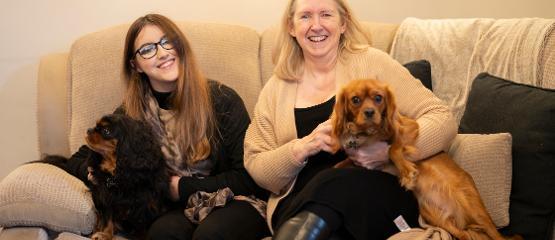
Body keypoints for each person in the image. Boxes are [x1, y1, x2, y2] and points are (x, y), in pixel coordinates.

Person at [243, 0, 457, 239]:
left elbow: (442, 118)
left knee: (332, 181)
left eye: (326, 14)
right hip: (300, 207)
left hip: (374, 198)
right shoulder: (276, 88)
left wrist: (388, 151)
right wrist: (302, 147)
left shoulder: (373, 63)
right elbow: (256, 164)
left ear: (343, 23)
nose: (316, 25)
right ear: (291, 27)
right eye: (305, 17)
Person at [66, 14, 270, 240]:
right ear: (136, 65)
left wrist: (180, 187)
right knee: (163, 233)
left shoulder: (223, 100)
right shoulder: (130, 114)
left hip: (233, 201)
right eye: (147, 49)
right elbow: (79, 159)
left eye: (167, 41)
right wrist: (102, 176)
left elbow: (248, 178)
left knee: (211, 235)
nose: (163, 53)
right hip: (176, 209)